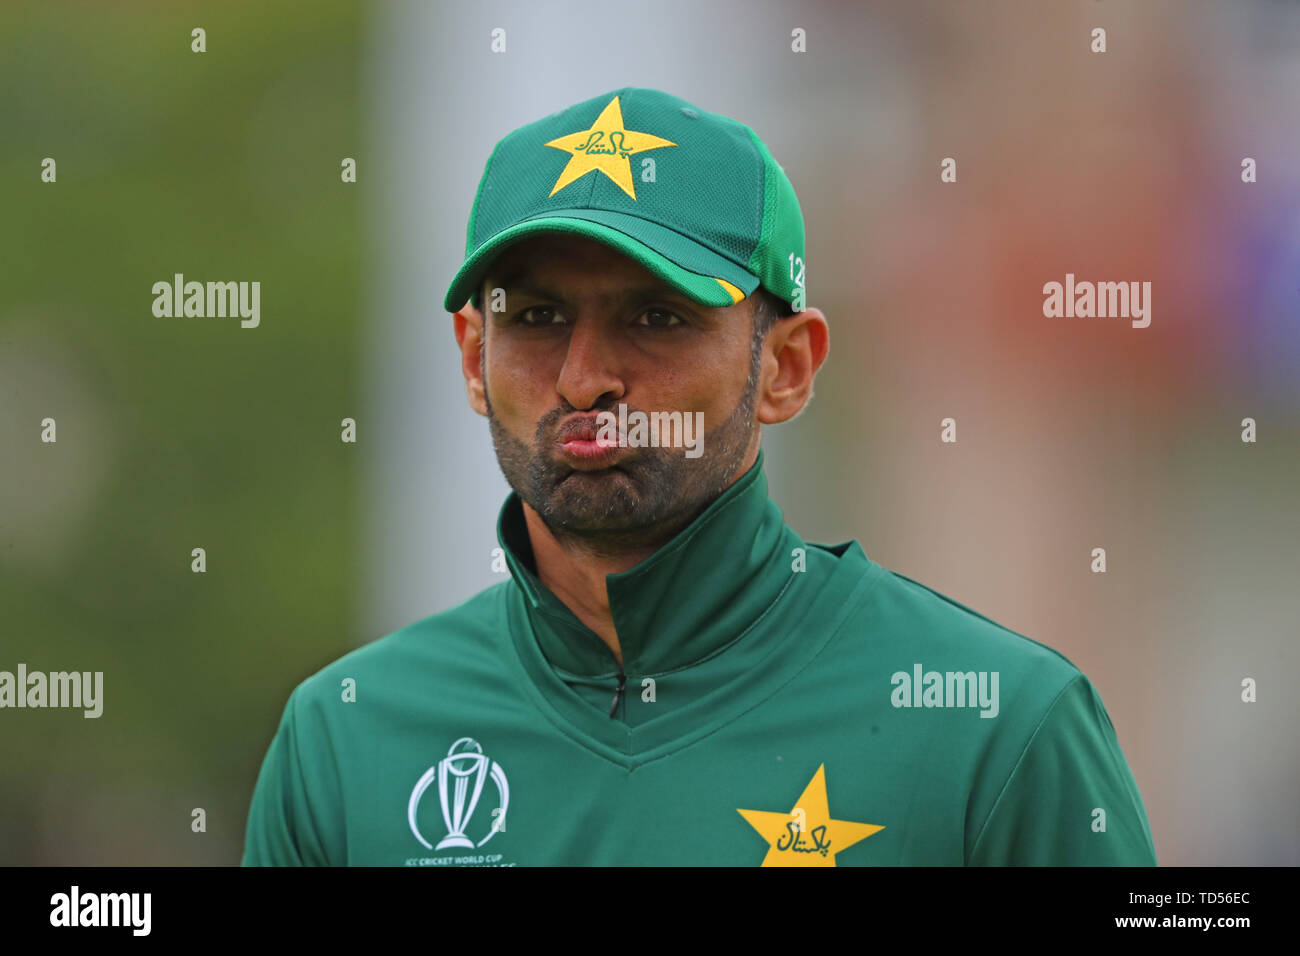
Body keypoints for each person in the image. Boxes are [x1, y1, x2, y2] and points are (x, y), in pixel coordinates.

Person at [242, 87, 1157, 866]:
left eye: (657, 317)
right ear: (474, 356)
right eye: (538, 317)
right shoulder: (346, 741)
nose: (584, 376)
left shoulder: (998, 727)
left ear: (786, 368)